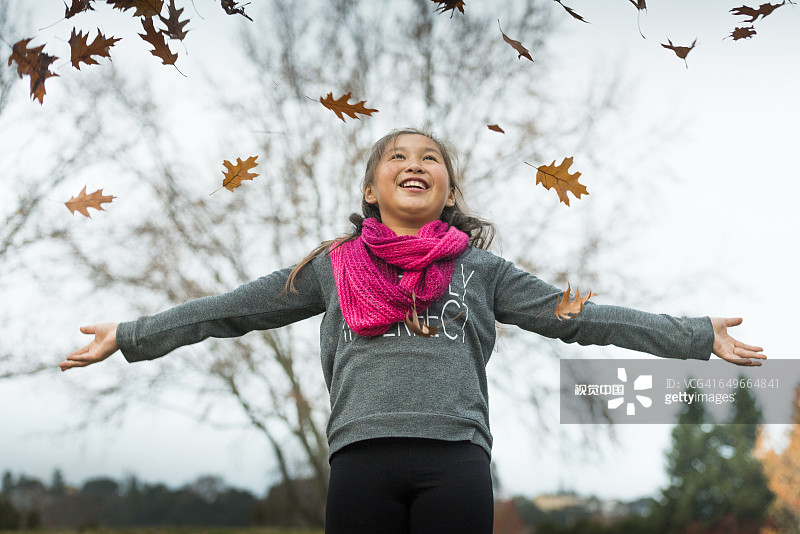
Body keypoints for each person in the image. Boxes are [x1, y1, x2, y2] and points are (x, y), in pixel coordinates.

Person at [60, 128, 766, 534]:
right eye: (397, 157)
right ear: (371, 189)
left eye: (430, 158)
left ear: (449, 191)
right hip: (360, 461)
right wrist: (130, 334)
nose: (414, 165)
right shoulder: (331, 266)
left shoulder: (482, 270)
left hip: (454, 460)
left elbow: (576, 316)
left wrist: (693, 335)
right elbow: (229, 309)